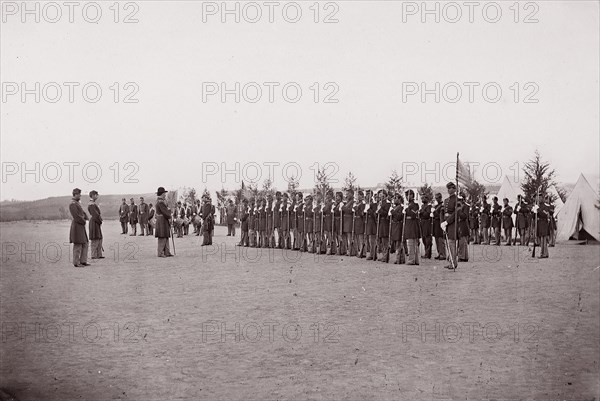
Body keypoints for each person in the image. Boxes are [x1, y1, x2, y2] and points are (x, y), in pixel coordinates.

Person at [69, 188, 90, 267]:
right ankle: (76, 263)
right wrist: (84, 221)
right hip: (77, 226)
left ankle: (83, 261)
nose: (80, 195)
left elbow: (82, 213)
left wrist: (86, 218)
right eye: (79, 194)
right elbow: (76, 216)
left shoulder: (77, 203)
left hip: (80, 226)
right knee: (78, 244)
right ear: (75, 194)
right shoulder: (73, 204)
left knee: (85, 243)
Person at [441, 182, 458, 270]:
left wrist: (447, 222)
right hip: (446, 223)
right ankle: (450, 261)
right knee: (448, 244)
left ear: (454, 189)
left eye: (451, 188)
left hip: (452, 224)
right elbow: (443, 212)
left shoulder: (456, 200)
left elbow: (456, 213)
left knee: (451, 243)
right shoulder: (446, 200)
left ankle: (453, 262)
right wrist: (442, 222)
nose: (449, 190)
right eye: (448, 188)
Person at [155, 187, 173, 257]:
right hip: (162, 220)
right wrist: (169, 213)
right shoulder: (161, 202)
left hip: (163, 220)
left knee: (165, 235)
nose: (165, 195)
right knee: (162, 236)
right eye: (164, 193)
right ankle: (160, 252)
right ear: (162, 194)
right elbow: (165, 212)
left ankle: (166, 251)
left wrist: (167, 210)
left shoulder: (161, 201)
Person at [404, 189, 420, 265]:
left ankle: (412, 260)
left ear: (412, 196)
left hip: (412, 225)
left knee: (412, 243)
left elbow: (413, 215)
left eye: (408, 195)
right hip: (409, 224)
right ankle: (415, 260)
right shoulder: (409, 205)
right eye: (406, 195)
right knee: (412, 243)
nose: (407, 197)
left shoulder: (415, 205)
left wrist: (407, 209)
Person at [532, 192, 550, 258]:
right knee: (541, 240)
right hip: (539, 224)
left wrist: (538, 209)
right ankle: (546, 253)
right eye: (538, 198)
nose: (539, 199)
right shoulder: (537, 206)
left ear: (542, 198)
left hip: (544, 224)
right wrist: (534, 212)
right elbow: (533, 217)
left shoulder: (545, 206)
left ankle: (543, 254)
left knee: (543, 240)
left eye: (540, 198)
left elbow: (544, 215)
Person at [375, 190, 391, 262]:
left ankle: (385, 256)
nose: (380, 197)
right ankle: (383, 255)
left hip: (385, 222)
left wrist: (380, 209)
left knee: (385, 240)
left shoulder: (388, 203)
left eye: (382, 195)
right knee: (381, 240)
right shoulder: (380, 203)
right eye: (380, 195)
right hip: (380, 222)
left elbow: (385, 213)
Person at [88, 190, 104, 259]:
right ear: (93, 195)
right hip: (94, 222)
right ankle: (94, 255)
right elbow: (95, 215)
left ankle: (98, 254)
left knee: (99, 237)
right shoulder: (91, 205)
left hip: (96, 222)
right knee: (95, 238)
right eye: (96, 195)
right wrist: (100, 221)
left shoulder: (93, 204)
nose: (97, 196)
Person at [389, 193, 405, 264]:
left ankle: (399, 258)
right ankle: (400, 258)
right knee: (396, 243)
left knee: (398, 243)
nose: (394, 200)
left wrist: (392, 211)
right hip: (394, 225)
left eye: (396, 198)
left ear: (399, 199)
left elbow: (399, 217)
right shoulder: (395, 207)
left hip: (398, 225)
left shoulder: (401, 207)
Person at [432, 192, 447, 260]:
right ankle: (439, 253)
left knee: (441, 240)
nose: (437, 199)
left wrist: (435, 214)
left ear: (440, 198)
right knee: (437, 239)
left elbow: (441, 215)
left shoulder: (442, 206)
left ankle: (443, 254)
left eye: (438, 198)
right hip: (435, 224)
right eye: (436, 198)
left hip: (440, 223)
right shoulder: (436, 206)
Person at [342, 189, 355, 256]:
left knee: (350, 236)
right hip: (346, 219)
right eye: (346, 194)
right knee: (347, 236)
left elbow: (350, 211)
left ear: (352, 194)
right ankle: (348, 250)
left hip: (350, 219)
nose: (346, 195)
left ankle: (351, 251)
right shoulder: (347, 202)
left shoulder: (352, 202)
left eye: (348, 194)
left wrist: (343, 208)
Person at [353, 190, 366, 258]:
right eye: (357, 195)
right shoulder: (357, 203)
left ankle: (362, 252)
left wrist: (356, 208)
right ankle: (359, 251)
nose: (357, 197)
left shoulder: (363, 204)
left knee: (361, 237)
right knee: (357, 237)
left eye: (358, 195)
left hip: (360, 221)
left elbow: (362, 213)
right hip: (356, 220)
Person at [457, 193, 470, 262]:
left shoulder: (466, 206)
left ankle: (463, 256)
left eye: (460, 199)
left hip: (463, 224)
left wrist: (459, 211)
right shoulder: (459, 206)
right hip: (460, 224)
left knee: (463, 242)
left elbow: (465, 216)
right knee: (462, 241)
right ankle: (463, 256)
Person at [323, 190, 334, 255]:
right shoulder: (326, 203)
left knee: (329, 232)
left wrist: (326, 205)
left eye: (329, 195)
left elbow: (326, 209)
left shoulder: (331, 203)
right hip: (326, 218)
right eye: (327, 195)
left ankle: (330, 247)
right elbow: (324, 210)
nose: (327, 197)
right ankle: (328, 246)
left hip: (330, 218)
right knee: (327, 232)